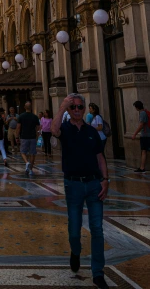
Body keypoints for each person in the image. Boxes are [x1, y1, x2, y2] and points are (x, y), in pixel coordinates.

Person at [51, 94, 109, 289]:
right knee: (74, 229)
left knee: (97, 229)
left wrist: (105, 180)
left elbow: (100, 157)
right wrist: (62, 107)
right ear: (68, 110)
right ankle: (75, 251)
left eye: (80, 107)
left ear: (84, 109)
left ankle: (98, 272)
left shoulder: (92, 131)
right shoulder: (65, 129)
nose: (77, 110)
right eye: (73, 107)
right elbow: (53, 130)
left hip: (94, 184)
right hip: (73, 185)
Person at [15, 101, 40, 175]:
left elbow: (18, 127)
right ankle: (31, 170)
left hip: (24, 136)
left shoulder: (21, 116)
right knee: (32, 153)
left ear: (25, 107)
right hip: (32, 137)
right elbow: (38, 127)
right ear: (31, 108)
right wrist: (36, 134)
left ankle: (26, 162)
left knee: (23, 152)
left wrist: (17, 136)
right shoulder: (35, 117)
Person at [132, 100, 150, 172]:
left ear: (137, 107)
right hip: (147, 134)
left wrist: (135, 134)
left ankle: (142, 167)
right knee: (144, 151)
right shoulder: (146, 112)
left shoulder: (142, 113)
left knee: (144, 151)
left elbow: (141, 125)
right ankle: (142, 167)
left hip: (145, 135)